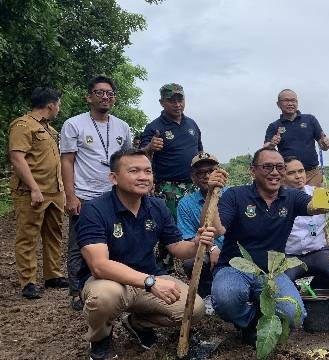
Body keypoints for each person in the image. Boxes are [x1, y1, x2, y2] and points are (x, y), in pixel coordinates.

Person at [76, 148, 225, 359]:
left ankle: (137, 324)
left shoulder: (157, 206)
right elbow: (100, 265)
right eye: (134, 171)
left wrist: (196, 242)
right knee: (104, 297)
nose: (143, 177)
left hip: (148, 279)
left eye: (147, 171)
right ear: (113, 177)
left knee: (194, 308)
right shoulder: (94, 210)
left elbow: (177, 248)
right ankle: (100, 339)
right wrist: (151, 282)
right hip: (109, 280)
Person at [210, 148, 329, 345]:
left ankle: (259, 322)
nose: (274, 172)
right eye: (267, 167)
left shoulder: (291, 197)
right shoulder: (236, 195)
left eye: (279, 167)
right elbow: (216, 229)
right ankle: (250, 322)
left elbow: (317, 206)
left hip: (272, 272)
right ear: (253, 170)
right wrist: (212, 194)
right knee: (227, 298)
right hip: (235, 267)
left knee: (295, 315)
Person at [60, 76, 132, 310]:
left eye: (110, 93)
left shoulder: (122, 126)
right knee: (79, 244)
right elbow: (67, 161)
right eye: (100, 92)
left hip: (115, 195)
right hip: (85, 195)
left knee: (116, 240)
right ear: (89, 97)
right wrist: (70, 196)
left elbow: (126, 161)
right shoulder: (74, 124)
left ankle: (115, 285)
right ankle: (76, 291)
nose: (105, 97)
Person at [9, 87, 67, 299]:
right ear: (51, 105)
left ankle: (53, 275)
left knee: (54, 233)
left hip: (54, 192)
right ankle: (28, 282)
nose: (58, 108)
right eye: (58, 104)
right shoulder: (23, 125)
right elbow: (17, 158)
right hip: (31, 192)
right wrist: (34, 188)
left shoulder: (50, 130)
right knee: (28, 236)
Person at [139, 83, 203, 272]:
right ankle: (163, 268)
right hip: (168, 188)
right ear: (162, 102)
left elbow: (200, 152)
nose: (177, 104)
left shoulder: (192, 124)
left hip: (193, 186)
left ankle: (195, 265)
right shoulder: (154, 128)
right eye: (171, 100)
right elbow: (140, 156)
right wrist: (149, 147)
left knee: (194, 225)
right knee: (168, 228)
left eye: (180, 99)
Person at [282, 156, 329, 288]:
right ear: (282, 176)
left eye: (301, 171)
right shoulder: (277, 199)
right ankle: (298, 298)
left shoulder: (319, 194)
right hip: (289, 257)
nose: (298, 176)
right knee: (282, 282)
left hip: (318, 252)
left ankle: (313, 290)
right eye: (291, 173)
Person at [176, 152, 227, 298]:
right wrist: (212, 248)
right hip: (205, 251)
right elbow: (189, 237)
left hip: (233, 250)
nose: (206, 176)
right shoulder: (185, 204)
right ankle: (207, 295)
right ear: (193, 178)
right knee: (190, 262)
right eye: (200, 173)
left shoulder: (233, 196)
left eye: (211, 171)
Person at [264, 89, 329, 187]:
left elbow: (323, 144)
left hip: (312, 174)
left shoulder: (310, 120)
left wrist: (326, 143)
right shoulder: (274, 126)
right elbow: (265, 148)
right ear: (278, 104)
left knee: (314, 202)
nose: (290, 103)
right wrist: (271, 144)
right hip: (288, 175)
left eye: (293, 100)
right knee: (289, 201)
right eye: (286, 100)